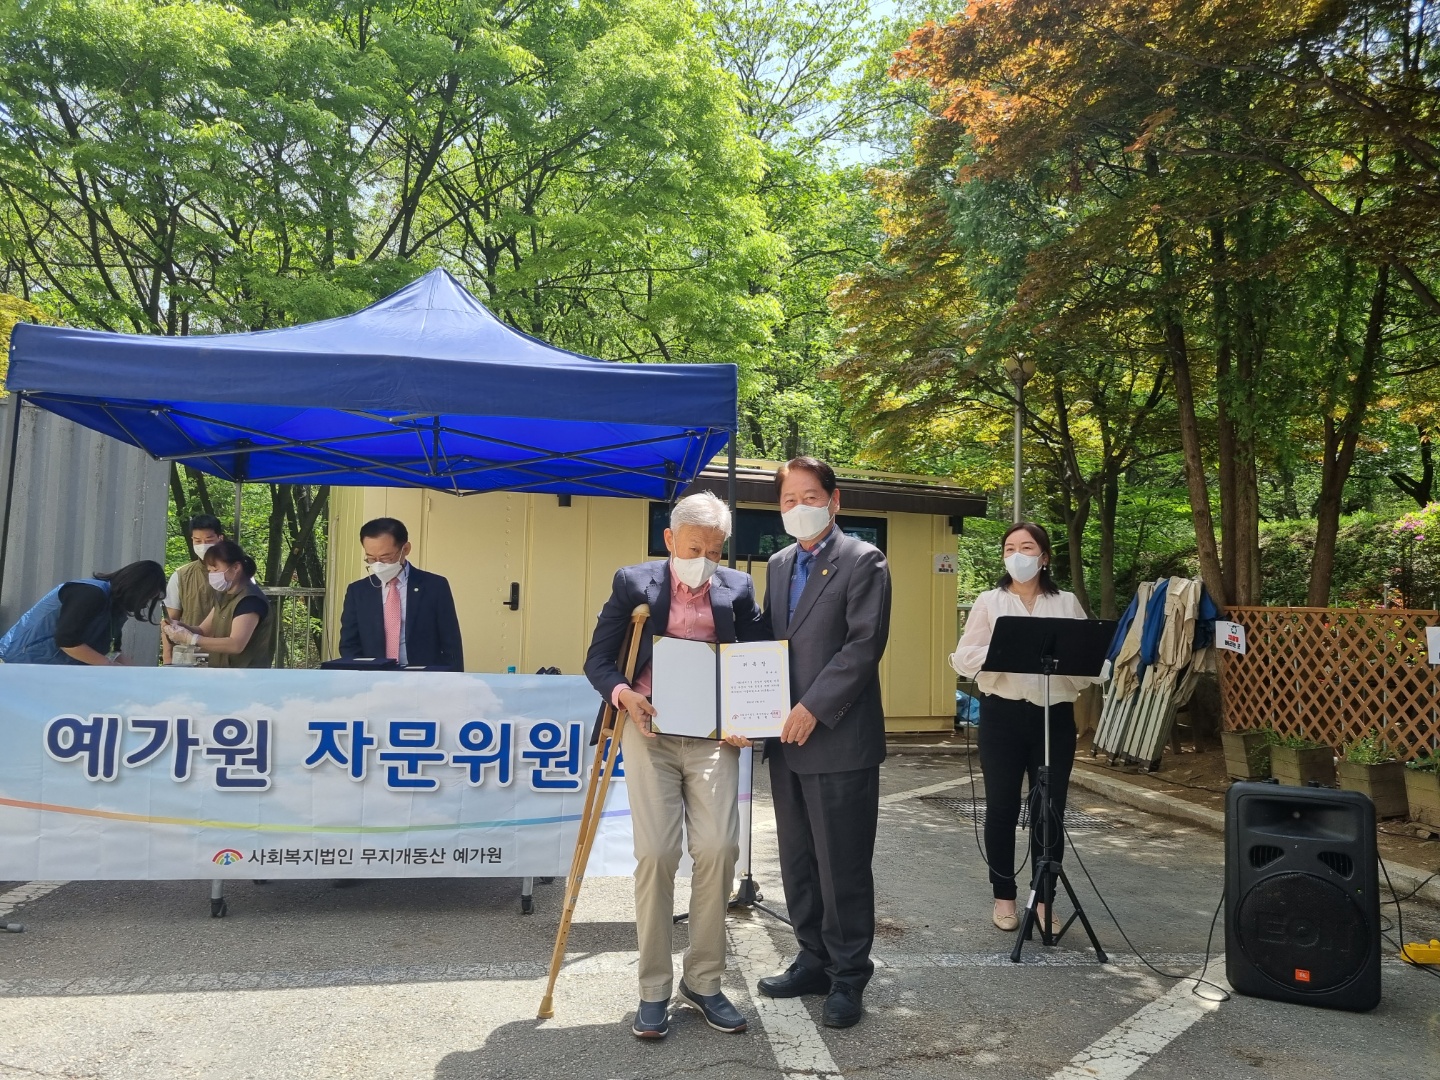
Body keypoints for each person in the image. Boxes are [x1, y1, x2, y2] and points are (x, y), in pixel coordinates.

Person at [583, 491, 766, 1041]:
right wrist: (623, 694)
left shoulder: (737, 588)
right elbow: (598, 659)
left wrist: (748, 715)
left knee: (719, 848)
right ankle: (653, 988)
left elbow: (757, 659)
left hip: (713, 736)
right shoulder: (633, 583)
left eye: (714, 550)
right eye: (693, 548)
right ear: (669, 539)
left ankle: (703, 981)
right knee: (658, 853)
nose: (704, 560)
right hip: (651, 731)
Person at [755, 457, 892, 1030]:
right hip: (784, 738)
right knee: (799, 859)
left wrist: (813, 707)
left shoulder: (864, 560)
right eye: (788, 500)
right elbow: (768, 641)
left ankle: (849, 975)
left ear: (834, 501)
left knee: (842, 863)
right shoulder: (779, 563)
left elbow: (863, 646)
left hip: (837, 735)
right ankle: (812, 958)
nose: (798, 508)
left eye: (809, 497)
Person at [948, 521, 1094, 934]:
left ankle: (1044, 900)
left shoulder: (1065, 602)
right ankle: (1004, 898)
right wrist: (1003, 651)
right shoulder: (989, 600)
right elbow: (964, 656)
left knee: (1050, 809)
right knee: (1001, 807)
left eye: (1027, 547)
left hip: (1053, 717)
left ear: (1044, 557)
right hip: (1002, 717)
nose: (1018, 555)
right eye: (1010, 548)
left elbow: (1088, 660)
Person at [337, 518, 463, 670]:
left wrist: (453, 678)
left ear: (406, 549)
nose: (378, 564)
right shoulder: (358, 591)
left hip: (422, 676)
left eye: (386, 557)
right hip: (373, 676)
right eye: (371, 558)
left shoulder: (434, 586)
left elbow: (451, 643)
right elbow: (349, 644)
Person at [0, 560, 166, 665]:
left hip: (49, 672)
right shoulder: (90, 593)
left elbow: (113, 651)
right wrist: (109, 666)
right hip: (14, 664)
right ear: (136, 588)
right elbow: (67, 641)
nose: (144, 604)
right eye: (146, 597)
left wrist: (139, 675)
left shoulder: (117, 609)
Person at [162, 540, 274, 668]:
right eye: (209, 571)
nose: (212, 576)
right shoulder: (224, 595)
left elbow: (236, 644)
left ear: (236, 567)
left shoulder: (250, 600)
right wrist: (180, 626)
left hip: (246, 673)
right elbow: (203, 630)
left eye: (215, 570)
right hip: (222, 671)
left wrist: (191, 639)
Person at [162, 514, 225, 665]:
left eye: (209, 540)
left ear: (220, 538)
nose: (203, 545)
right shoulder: (181, 576)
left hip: (225, 656)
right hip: (189, 656)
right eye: (197, 541)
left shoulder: (236, 576)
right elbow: (170, 621)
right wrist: (167, 658)